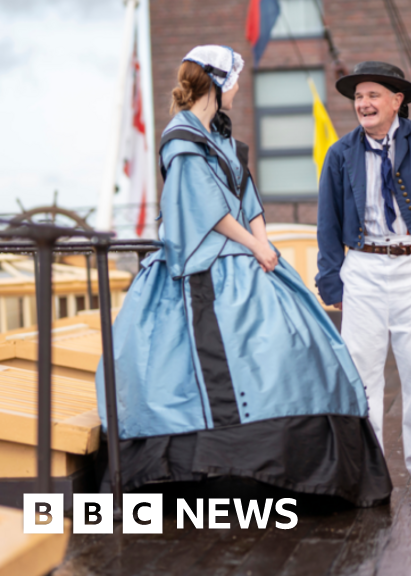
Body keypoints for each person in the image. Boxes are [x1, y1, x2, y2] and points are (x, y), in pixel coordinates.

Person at [96, 46, 391, 507]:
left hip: (242, 259)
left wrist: (263, 244)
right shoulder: (183, 140)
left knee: (292, 348)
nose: (237, 88)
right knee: (258, 352)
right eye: (232, 81)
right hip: (202, 263)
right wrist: (256, 245)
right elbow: (203, 206)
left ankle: (284, 464)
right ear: (215, 84)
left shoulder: (220, 139)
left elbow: (247, 198)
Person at [316, 61, 411, 489]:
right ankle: (367, 471)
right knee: (361, 371)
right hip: (364, 267)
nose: (363, 103)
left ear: (397, 102)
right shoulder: (340, 153)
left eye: (373, 95)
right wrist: (330, 278)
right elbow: (328, 223)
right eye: (358, 97)